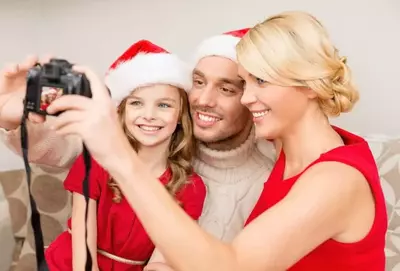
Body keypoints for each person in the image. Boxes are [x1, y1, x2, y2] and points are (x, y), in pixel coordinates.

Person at [45, 11, 387, 271]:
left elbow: (231, 265)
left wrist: (121, 158)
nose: (247, 98)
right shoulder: (290, 144)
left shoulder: (336, 181)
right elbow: (69, 151)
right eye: (244, 84)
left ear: (310, 84)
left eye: (260, 82)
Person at [0, 30, 274, 244]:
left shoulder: (270, 180)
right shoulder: (153, 141)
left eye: (226, 89)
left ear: (252, 98)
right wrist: (11, 115)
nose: (203, 99)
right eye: (198, 82)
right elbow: (64, 147)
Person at [44, 40, 206, 271]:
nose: (149, 115)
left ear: (181, 114)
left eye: (164, 105)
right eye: (137, 103)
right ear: (121, 110)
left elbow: (163, 259)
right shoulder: (96, 161)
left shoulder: (191, 188)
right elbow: (83, 247)